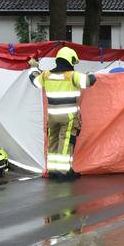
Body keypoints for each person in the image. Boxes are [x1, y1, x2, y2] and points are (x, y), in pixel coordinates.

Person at [28, 47, 96, 179]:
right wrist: (91, 73)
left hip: (52, 117)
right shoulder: (72, 76)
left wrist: (33, 68)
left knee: (53, 141)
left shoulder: (46, 75)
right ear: (69, 60)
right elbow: (90, 81)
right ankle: (64, 172)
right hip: (68, 117)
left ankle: (53, 170)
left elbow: (34, 81)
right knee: (65, 142)